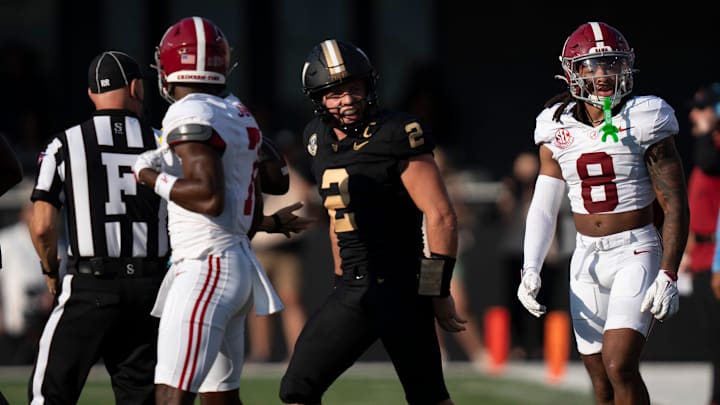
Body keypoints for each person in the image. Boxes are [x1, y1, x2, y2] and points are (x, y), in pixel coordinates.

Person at [134, 16, 313, 405]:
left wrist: (149, 175)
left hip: (205, 267)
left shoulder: (188, 112)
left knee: (169, 396)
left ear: (168, 67)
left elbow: (208, 197)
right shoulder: (236, 110)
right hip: (233, 263)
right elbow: (276, 179)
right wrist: (264, 220)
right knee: (220, 399)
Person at [279, 39, 466, 405]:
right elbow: (336, 217)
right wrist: (340, 281)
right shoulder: (315, 138)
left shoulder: (398, 130)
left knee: (429, 397)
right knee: (296, 390)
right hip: (353, 289)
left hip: (401, 288)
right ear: (318, 98)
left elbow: (441, 215)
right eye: (334, 93)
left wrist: (437, 292)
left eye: (353, 88)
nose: (346, 100)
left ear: (369, 86)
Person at [516, 22, 689, 405]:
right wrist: (531, 266)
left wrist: (669, 271)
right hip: (586, 257)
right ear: (572, 73)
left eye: (611, 63)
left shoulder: (647, 116)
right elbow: (545, 205)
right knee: (600, 382)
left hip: (636, 250)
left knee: (619, 364)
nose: (604, 74)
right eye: (592, 66)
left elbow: (674, 201)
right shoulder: (554, 123)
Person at [28, 50, 170, 405]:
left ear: (91, 94)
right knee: (143, 397)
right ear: (137, 87)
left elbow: (43, 225)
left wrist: (50, 270)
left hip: (92, 284)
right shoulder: (164, 142)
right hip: (151, 289)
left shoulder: (65, 143)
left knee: (49, 395)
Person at [430, 147, 486, 369]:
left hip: (449, 254)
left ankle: (479, 353)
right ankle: (437, 355)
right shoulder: (415, 184)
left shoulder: (451, 188)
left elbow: (460, 217)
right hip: (428, 255)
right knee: (429, 306)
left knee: (459, 305)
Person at [682, 82, 720, 405]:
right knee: (713, 342)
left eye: (701, 108)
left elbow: (709, 161)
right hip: (703, 259)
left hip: (715, 260)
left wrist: (712, 127)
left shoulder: (713, 148)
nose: (693, 115)